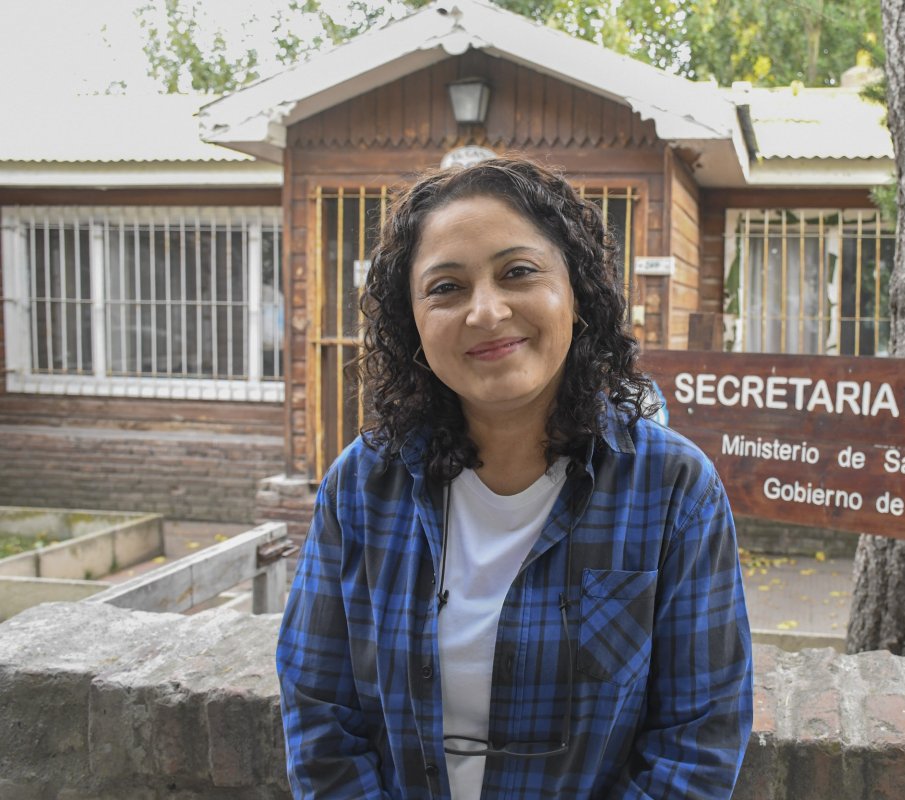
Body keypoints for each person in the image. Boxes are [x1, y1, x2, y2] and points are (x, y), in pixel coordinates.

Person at [277, 157, 753, 799]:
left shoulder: (672, 490)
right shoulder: (362, 487)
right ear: (412, 323)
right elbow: (318, 713)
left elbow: (698, 741)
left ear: (576, 290)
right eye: (446, 287)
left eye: (518, 272)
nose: (486, 311)